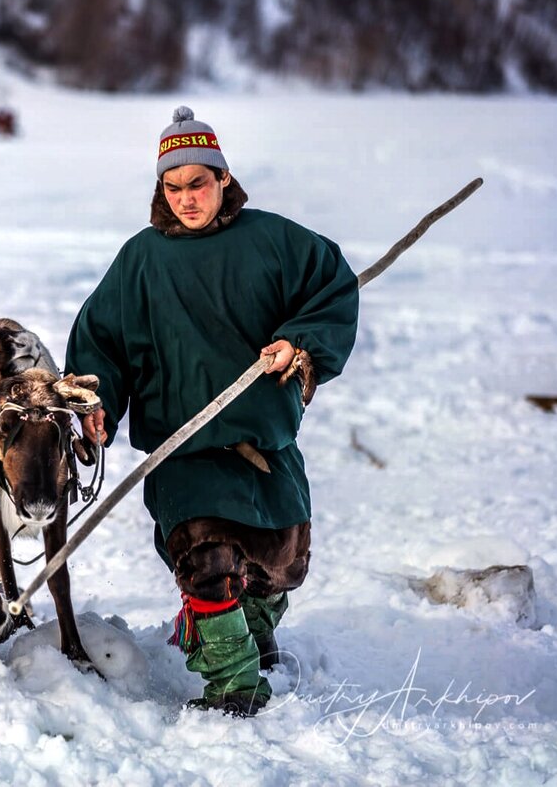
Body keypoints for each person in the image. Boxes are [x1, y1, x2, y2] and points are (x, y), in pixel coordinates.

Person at [65, 106, 359, 717]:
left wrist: (300, 342)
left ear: (223, 178)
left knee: (281, 561)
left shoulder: (272, 240)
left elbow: (333, 287)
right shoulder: (141, 260)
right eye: (171, 187)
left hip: (262, 441)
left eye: (196, 182)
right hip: (185, 446)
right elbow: (103, 345)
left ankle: (251, 635)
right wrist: (98, 405)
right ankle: (234, 683)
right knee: (206, 559)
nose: (185, 198)